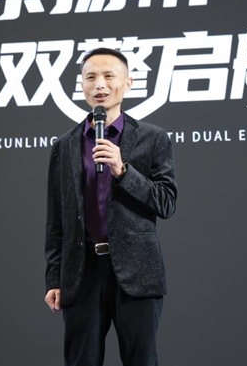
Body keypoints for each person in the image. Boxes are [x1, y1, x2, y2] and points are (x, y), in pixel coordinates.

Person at [44, 47, 177, 366]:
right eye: (90, 77)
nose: (99, 84)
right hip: (82, 273)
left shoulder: (153, 138)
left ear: (128, 83)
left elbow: (166, 202)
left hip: (137, 272)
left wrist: (124, 171)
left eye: (108, 76)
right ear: (82, 85)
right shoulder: (64, 145)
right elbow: (56, 220)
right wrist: (54, 278)